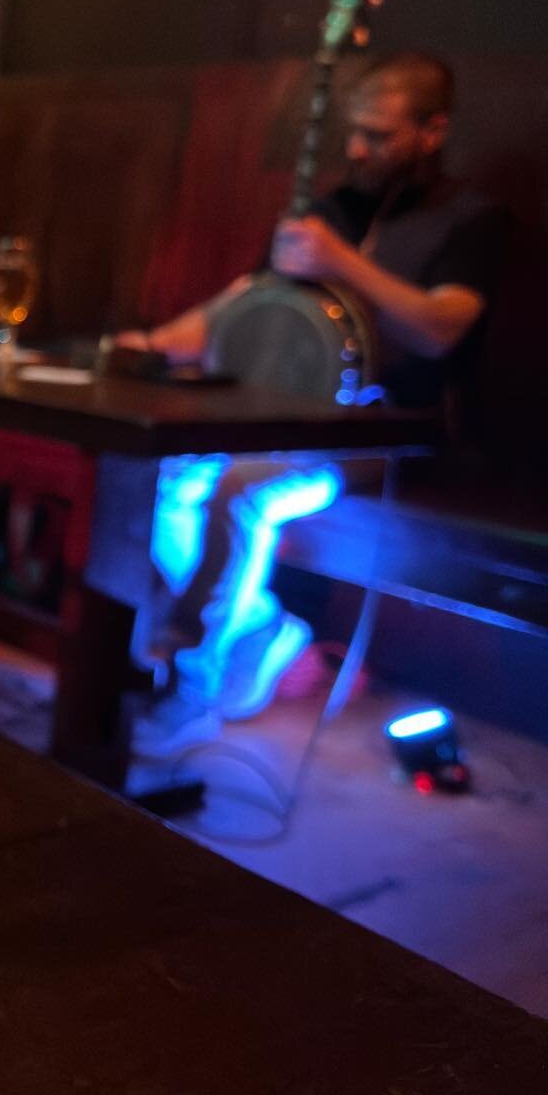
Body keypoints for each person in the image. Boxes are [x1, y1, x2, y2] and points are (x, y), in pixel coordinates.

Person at [117, 52, 506, 755]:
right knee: (168, 473)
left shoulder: (471, 220)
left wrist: (339, 260)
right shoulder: (335, 209)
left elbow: (443, 326)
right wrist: (154, 341)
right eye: (354, 133)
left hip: (393, 435)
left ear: (432, 131)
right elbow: (244, 304)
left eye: (379, 136)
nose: (358, 149)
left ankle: (191, 681)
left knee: (243, 491)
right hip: (290, 420)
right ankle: (260, 625)